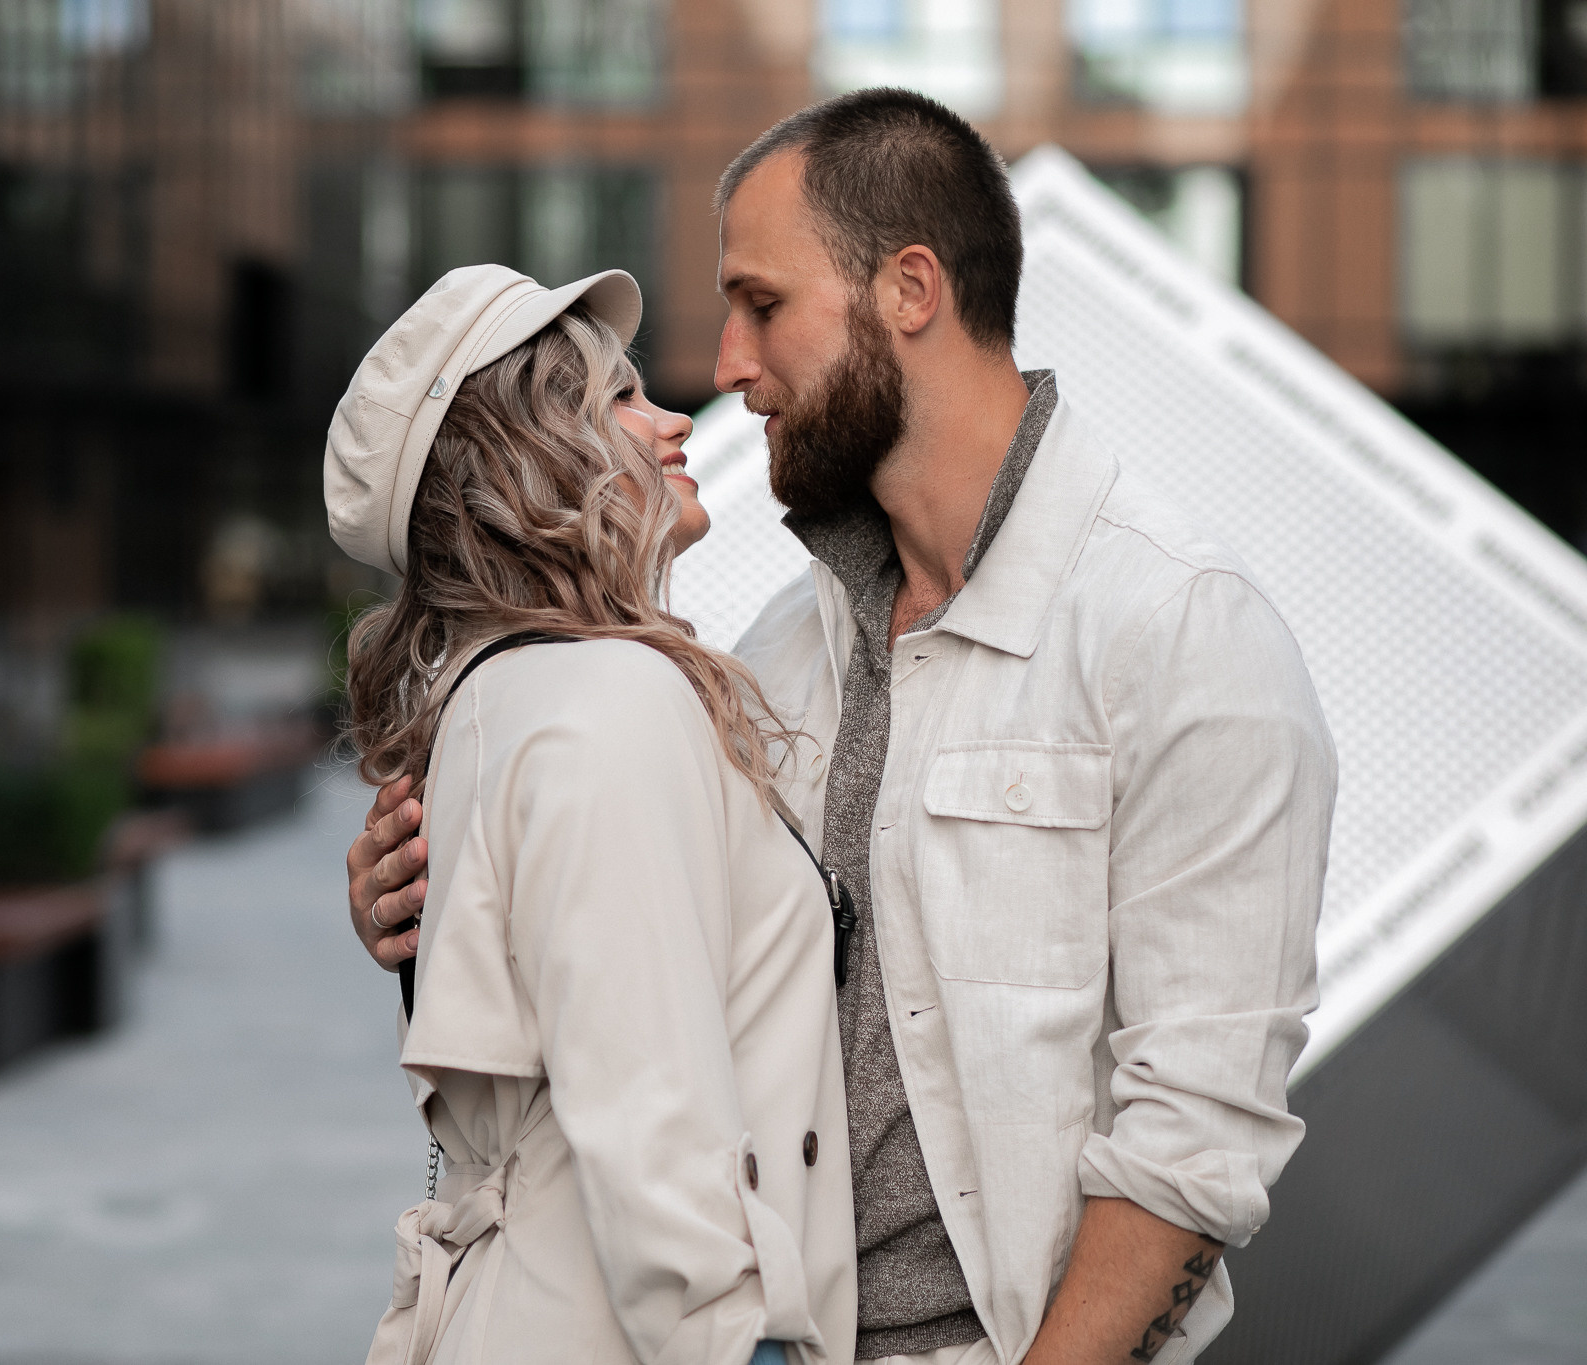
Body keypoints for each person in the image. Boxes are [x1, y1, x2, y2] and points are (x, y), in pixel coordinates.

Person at [347, 91, 1338, 1365]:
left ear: (907, 292)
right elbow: (635, 991)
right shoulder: (768, 650)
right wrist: (435, 917)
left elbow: (1195, 1134)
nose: (727, 365)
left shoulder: (1182, 632)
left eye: (762, 305)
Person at [327, 264, 857, 1365]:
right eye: (617, 397)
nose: (672, 420)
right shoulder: (606, 698)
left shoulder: (492, 695)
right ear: (525, 456)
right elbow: (648, 1114)